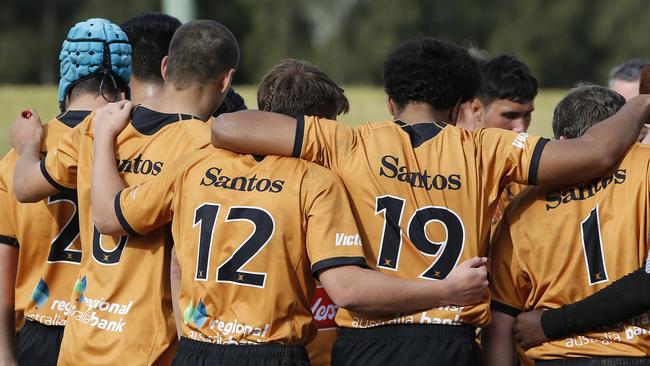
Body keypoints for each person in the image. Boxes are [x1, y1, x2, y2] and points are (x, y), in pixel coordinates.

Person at [209, 37, 650, 365]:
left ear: (390, 100)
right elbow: (595, 153)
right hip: (449, 341)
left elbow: (228, 126)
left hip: (367, 342)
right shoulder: (487, 150)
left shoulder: (347, 142)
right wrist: (640, 105)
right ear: (461, 104)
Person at [87, 59, 489, 366]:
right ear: (317, 126)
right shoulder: (315, 180)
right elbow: (345, 289)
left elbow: (117, 223)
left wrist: (103, 137)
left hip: (198, 348)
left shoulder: (195, 163)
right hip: (273, 352)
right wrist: (447, 290)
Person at [9, 20, 238, 365]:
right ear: (226, 80)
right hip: (146, 347)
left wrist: (29, 146)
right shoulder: (205, 148)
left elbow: (24, 187)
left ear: (165, 67)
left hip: (81, 338)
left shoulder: (98, 125)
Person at [485, 84, 650, 365]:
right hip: (636, 352)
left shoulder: (522, 205)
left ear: (562, 140)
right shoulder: (645, 167)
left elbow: (501, 321)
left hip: (555, 354)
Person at [0, 18, 131, 366]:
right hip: (111, 328)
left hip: (40, 332)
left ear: (67, 71)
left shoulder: (17, 157)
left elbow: (2, 280)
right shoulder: (136, 149)